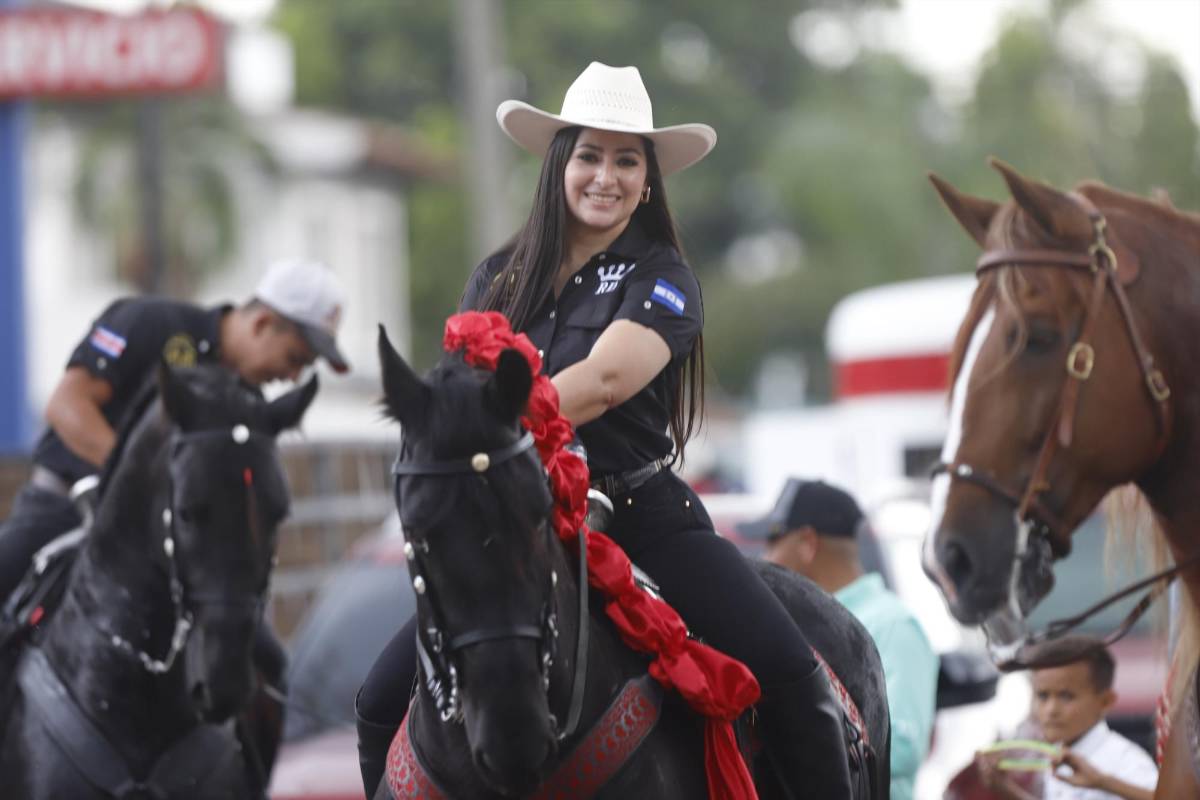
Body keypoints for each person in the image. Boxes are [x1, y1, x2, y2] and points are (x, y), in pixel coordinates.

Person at [355, 61, 855, 799]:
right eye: (590, 155)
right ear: (560, 164)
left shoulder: (663, 276)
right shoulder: (495, 278)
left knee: (793, 673)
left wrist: (495, 419)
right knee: (376, 702)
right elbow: (457, 397)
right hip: (519, 522)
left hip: (643, 516)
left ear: (648, 181)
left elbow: (608, 379)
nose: (606, 177)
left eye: (627, 161)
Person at [0, 257, 348, 785]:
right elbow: (67, 405)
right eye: (296, 357)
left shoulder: (244, 402)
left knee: (269, 663)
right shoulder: (151, 323)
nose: (293, 376)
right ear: (263, 323)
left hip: (181, 549)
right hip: (65, 507)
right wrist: (134, 486)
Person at [738, 477, 939, 800]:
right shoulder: (802, 627)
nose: (765, 557)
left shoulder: (893, 623)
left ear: (807, 543)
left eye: (773, 542)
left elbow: (905, 747)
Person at [975, 636, 1158, 800]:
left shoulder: (1128, 763)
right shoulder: (1058, 754)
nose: (1051, 710)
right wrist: (1004, 788)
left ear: (1105, 701)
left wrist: (1102, 782)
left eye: (1066, 696)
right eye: (1043, 696)